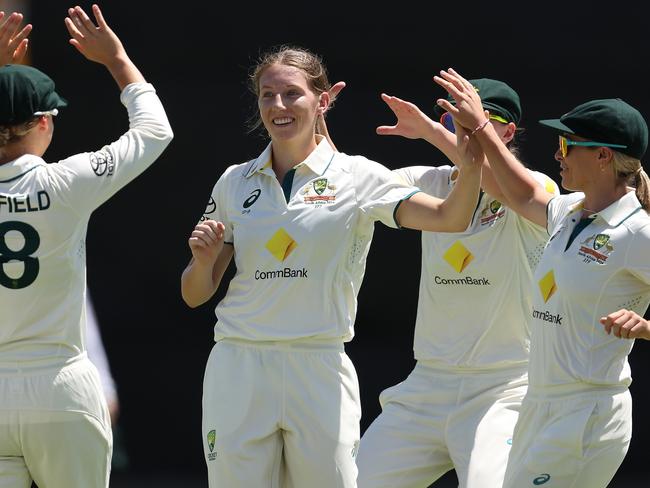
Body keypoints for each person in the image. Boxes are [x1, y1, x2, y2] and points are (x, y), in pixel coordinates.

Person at [180, 45, 483, 488]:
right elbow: (194, 294)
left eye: (291, 94)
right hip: (239, 363)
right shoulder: (234, 180)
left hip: (318, 365)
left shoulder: (357, 176)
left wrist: (471, 156)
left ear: (322, 100)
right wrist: (204, 261)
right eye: (267, 95)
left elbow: (449, 219)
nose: (278, 107)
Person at [435, 68, 650, 487]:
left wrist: (646, 327)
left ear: (603, 155)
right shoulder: (569, 211)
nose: (558, 155)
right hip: (540, 403)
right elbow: (513, 190)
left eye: (568, 145)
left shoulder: (639, 231)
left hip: (586, 413)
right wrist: (463, 131)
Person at [354, 79, 559, 488]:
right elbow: (346, 185)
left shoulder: (536, 188)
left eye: (475, 120)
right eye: (451, 119)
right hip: (427, 384)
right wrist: (313, 119)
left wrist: (433, 131)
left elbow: (505, 187)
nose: (460, 129)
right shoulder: (425, 181)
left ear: (506, 132)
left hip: (506, 388)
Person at [0, 4, 173, 487]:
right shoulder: (65, 182)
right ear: (41, 123)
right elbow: (155, 131)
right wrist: (117, 59)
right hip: (60, 387)